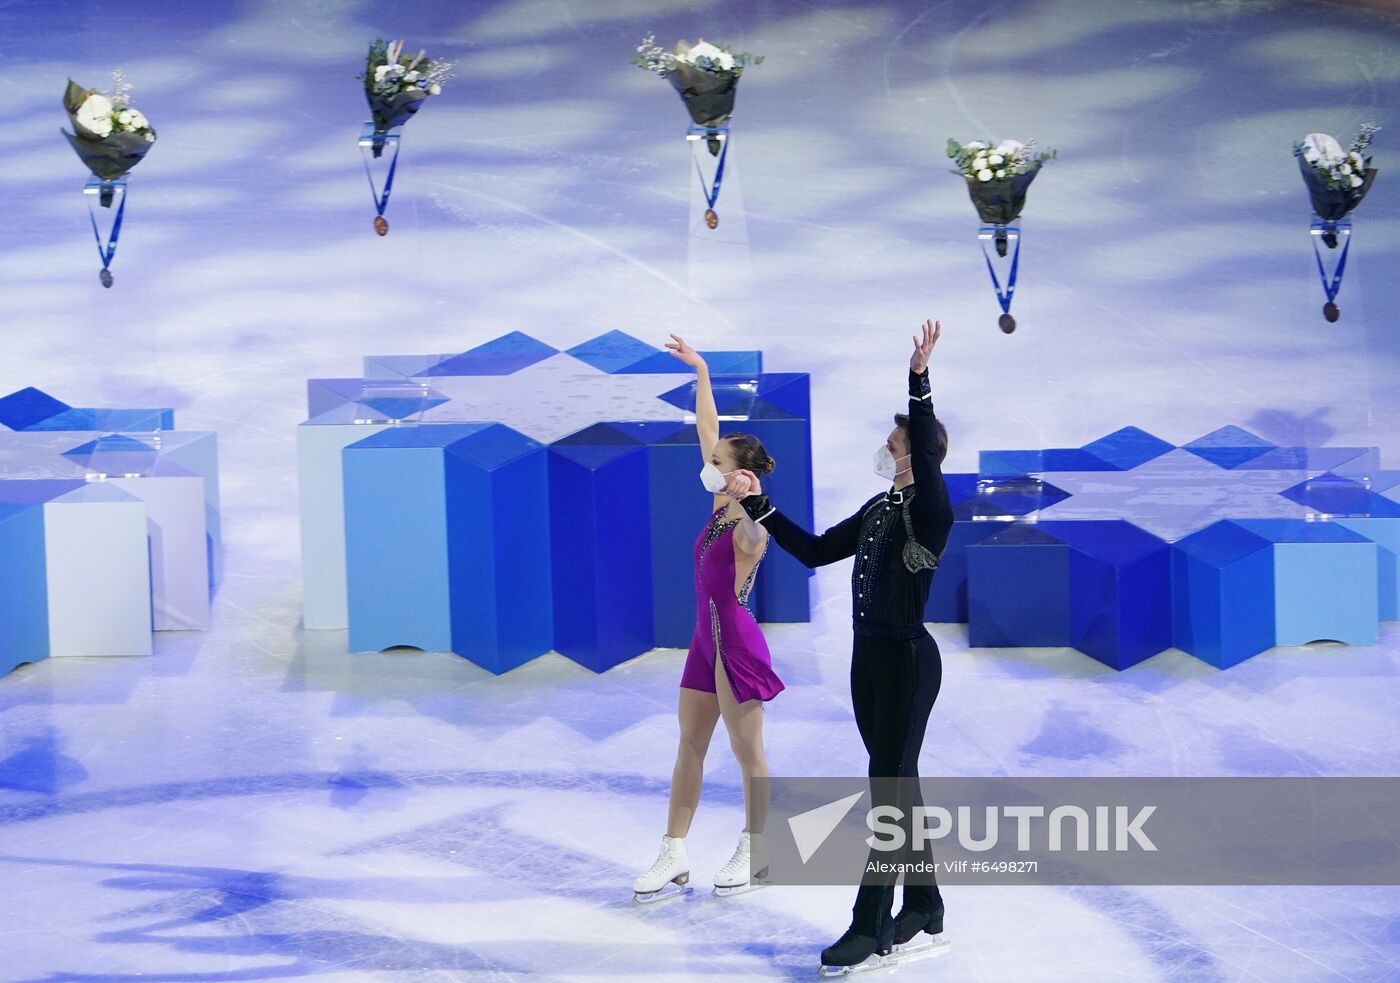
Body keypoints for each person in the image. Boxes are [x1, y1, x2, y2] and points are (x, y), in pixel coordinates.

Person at [725, 320, 954, 972]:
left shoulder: (931, 509)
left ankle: (869, 926)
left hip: (909, 663)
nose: (885, 449)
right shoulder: (881, 509)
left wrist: (919, 381)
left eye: (894, 442)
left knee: (886, 795)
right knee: (898, 786)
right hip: (868, 662)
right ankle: (925, 906)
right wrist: (760, 506)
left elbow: (925, 447)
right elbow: (820, 548)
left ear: (916, 452)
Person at [632, 334, 786, 903]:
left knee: (748, 753)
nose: (709, 463)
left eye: (718, 463)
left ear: (741, 474)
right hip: (703, 643)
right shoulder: (718, 500)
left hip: (737, 647)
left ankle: (759, 845)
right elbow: (707, 428)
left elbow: (752, 539)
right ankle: (673, 851)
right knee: (689, 746)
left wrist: (749, 502)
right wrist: (699, 370)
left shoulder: (751, 523)